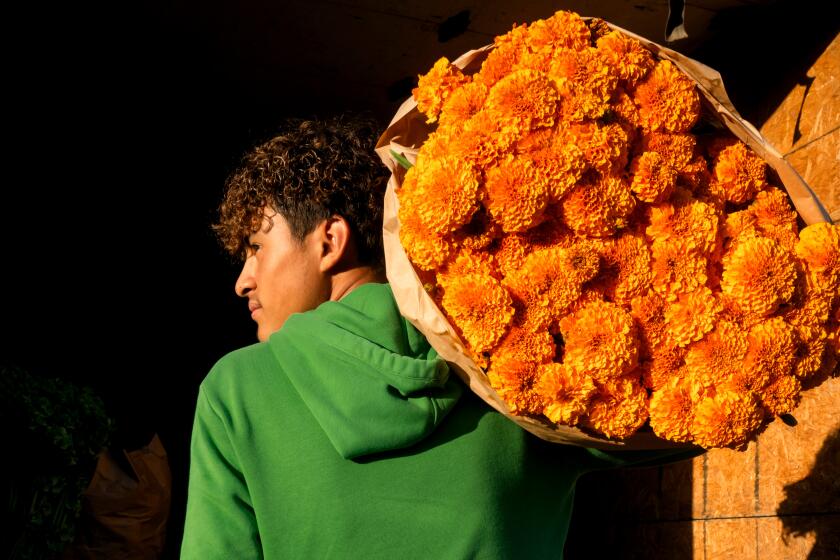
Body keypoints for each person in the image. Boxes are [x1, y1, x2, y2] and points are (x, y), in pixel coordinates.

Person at [181, 115, 701, 559]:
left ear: (330, 241)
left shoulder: (236, 392)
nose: (242, 279)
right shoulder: (517, 371)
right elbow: (698, 413)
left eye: (255, 248)